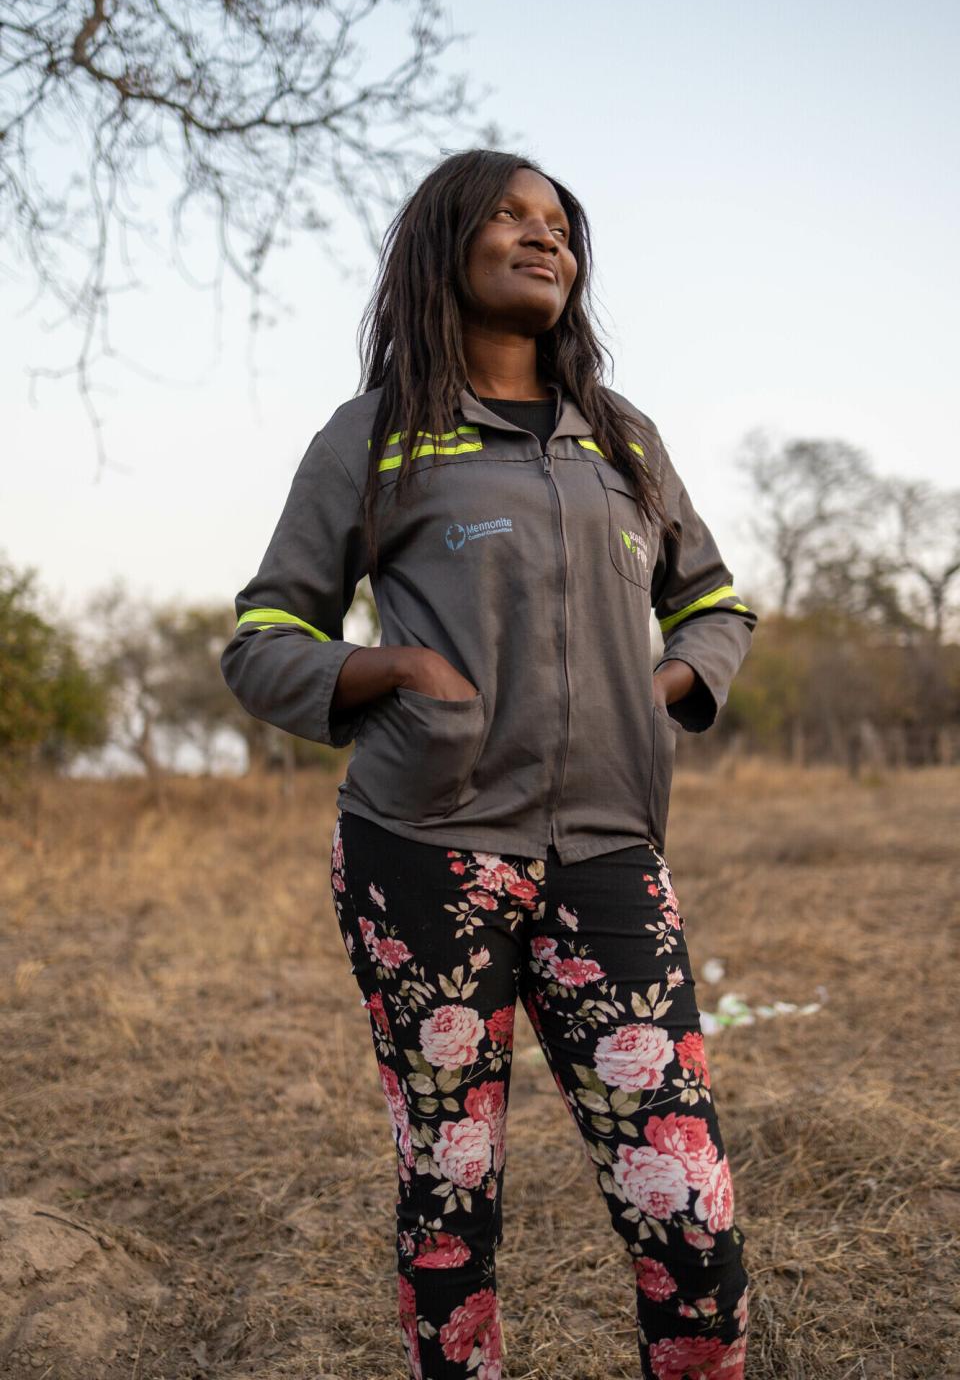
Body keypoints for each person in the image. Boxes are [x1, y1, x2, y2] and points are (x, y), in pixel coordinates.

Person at [221, 149, 757, 1380]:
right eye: (510, 216)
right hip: (424, 856)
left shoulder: (621, 441)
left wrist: (664, 683)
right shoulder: (378, 437)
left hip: (612, 855)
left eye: (560, 224)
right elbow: (264, 637)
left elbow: (718, 605)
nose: (543, 236)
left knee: (687, 1204)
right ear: (443, 247)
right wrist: (392, 674)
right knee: (452, 1189)